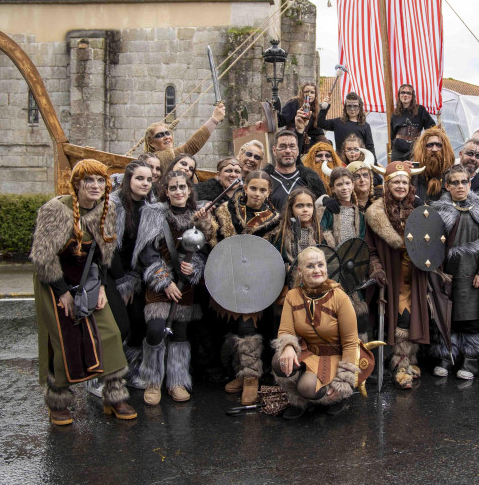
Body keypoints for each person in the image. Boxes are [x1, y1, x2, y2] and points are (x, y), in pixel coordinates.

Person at [30, 159, 135, 425]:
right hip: (55, 280)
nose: (95, 186)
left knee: (110, 332)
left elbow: (103, 255)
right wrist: (62, 292)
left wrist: (99, 287)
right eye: (88, 180)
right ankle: (58, 402)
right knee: (64, 340)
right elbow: (43, 257)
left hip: (88, 279)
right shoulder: (55, 210)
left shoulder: (106, 210)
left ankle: (115, 395)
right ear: (76, 183)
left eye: (101, 181)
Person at [133, 170, 211, 405]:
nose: (179, 192)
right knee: (156, 330)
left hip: (185, 284)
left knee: (180, 333)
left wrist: (194, 267)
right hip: (160, 283)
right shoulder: (153, 214)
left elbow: (204, 251)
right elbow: (147, 251)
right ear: (166, 192)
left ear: (189, 191)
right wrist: (164, 281)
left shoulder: (199, 216)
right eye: (173, 188)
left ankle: (176, 381)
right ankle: (153, 380)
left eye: (183, 187)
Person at [208, 170, 281, 405]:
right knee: (227, 330)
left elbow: (274, 256)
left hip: (256, 283)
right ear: (245, 188)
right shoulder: (225, 212)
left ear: (269, 192)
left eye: (263, 190)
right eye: (253, 188)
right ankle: (240, 373)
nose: (257, 194)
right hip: (227, 279)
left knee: (247, 327)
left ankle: (251, 378)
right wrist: (203, 222)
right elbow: (213, 242)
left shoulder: (275, 219)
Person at [272, 246, 361, 419]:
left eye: (320, 265)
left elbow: (351, 342)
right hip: (308, 351)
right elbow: (286, 329)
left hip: (332, 354)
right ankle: (298, 400)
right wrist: (288, 346)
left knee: (307, 387)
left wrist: (343, 381)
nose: (317, 270)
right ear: (300, 271)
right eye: (310, 266)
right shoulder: (292, 296)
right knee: (279, 362)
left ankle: (334, 398)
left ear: (326, 268)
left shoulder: (340, 297)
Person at [430, 165, 479, 380]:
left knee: (470, 318)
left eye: (464, 182)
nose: (460, 186)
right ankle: (447, 356)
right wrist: (437, 273)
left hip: (472, 272)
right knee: (448, 315)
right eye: (455, 183)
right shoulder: (439, 211)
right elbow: (431, 245)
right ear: (447, 186)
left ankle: (471, 360)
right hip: (447, 273)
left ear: (470, 184)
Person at [365, 161, 430, 389]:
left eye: (404, 181)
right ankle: (401, 366)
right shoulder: (376, 212)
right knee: (402, 317)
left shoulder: (419, 209)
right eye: (396, 181)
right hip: (392, 274)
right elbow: (371, 249)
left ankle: (411, 359)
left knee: (414, 316)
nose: (401, 186)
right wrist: (377, 268)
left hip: (416, 273)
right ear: (387, 184)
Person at [107, 160, 155, 389]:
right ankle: (106, 374)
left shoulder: (149, 205)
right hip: (111, 270)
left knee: (138, 323)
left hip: (136, 273)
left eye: (148, 179)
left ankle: (131, 369)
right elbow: (110, 248)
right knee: (119, 325)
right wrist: (121, 281)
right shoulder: (113, 204)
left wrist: (135, 278)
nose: (145, 183)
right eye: (139, 178)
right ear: (128, 180)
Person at [318, 167, 369, 340]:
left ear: (353, 185)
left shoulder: (358, 213)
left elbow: (361, 239)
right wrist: (335, 252)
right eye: (339, 184)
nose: (344, 188)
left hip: (353, 268)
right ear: (332, 188)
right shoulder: (329, 210)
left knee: (359, 311)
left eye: (347, 183)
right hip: (333, 267)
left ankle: (361, 351)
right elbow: (323, 231)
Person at [142, 101, 226, 168]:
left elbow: (191, 146)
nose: (166, 137)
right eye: (160, 135)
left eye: (167, 133)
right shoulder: (156, 158)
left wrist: (215, 119)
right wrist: (214, 120)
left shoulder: (172, 154)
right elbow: (191, 146)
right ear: (151, 142)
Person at [263, 128, 327, 211]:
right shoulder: (265, 180)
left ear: (297, 151)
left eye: (292, 146)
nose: (288, 151)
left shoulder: (310, 180)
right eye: (283, 146)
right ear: (274, 151)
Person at [318, 92, 376, 157]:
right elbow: (321, 123)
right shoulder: (337, 122)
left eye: (355, 106)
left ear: (360, 107)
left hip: (359, 162)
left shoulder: (365, 126)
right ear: (345, 107)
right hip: (341, 162)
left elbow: (370, 146)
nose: (352, 109)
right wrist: (324, 107)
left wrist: (373, 163)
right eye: (349, 106)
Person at [279, 82, 329, 153]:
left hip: (306, 142)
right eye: (306, 92)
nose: (309, 94)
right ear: (302, 93)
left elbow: (317, 130)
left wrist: (324, 142)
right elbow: (281, 120)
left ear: (315, 95)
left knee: (327, 146)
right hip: (292, 138)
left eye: (312, 92)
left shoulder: (315, 108)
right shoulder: (294, 103)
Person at [390, 84, 436, 161]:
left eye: (408, 93)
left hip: (415, 149)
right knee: (396, 171)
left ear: (412, 96)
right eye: (403, 92)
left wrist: (423, 141)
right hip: (398, 150)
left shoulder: (420, 110)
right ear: (399, 95)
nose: (405, 95)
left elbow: (431, 126)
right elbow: (392, 134)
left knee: (415, 171)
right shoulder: (395, 113)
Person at [411, 126, 455, 203]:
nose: (434, 149)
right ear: (423, 149)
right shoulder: (414, 174)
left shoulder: (452, 175)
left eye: (439, 145)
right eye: (430, 145)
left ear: (444, 149)